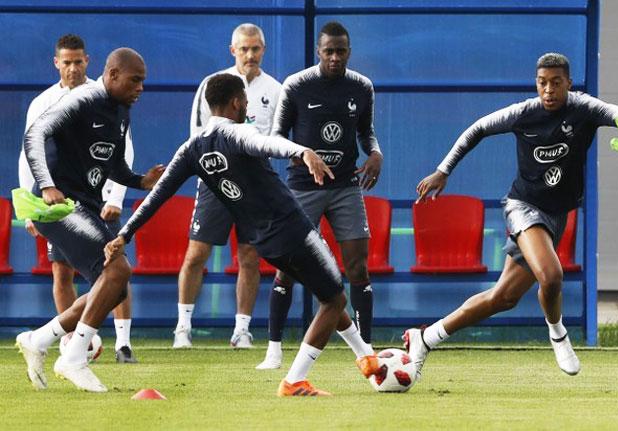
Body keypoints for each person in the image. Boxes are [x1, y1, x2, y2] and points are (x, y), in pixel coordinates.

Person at [104, 73, 379, 396]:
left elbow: (157, 196)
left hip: (263, 241)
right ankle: (295, 381)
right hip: (292, 228)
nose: (247, 107)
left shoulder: (191, 148)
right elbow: (267, 144)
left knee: (326, 292)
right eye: (245, 102)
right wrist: (304, 150)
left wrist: (125, 234)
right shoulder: (239, 134)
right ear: (236, 102)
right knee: (335, 299)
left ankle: (366, 357)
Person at [405, 52, 618, 380]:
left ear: (569, 83)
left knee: (503, 298)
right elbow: (477, 129)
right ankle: (558, 333)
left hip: (557, 216)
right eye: (543, 83)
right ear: (536, 84)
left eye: (556, 83)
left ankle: (425, 338)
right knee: (551, 276)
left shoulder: (584, 109)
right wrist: (443, 170)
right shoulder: (524, 113)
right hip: (523, 207)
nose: (549, 90)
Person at [16, 47, 164, 392]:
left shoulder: (121, 110)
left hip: (86, 205)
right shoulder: (83, 98)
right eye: (135, 80)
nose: (141, 88)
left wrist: (140, 180)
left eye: (143, 81)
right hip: (59, 205)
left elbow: (110, 163)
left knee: (111, 284)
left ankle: (39, 340)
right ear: (111, 75)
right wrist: (48, 185)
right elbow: (33, 135)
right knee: (117, 270)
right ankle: (73, 357)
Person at [257, 21, 383, 370]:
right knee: (288, 268)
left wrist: (376, 153)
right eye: (328, 51)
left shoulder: (361, 87)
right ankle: (274, 348)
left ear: (349, 52)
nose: (334, 57)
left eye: (340, 51)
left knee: (358, 267)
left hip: (345, 187)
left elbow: (366, 133)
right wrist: (303, 153)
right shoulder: (297, 85)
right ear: (318, 51)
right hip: (302, 189)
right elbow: (277, 137)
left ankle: (366, 349)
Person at [173, 23, 282, 349]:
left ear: (263, 50)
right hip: (215, 181)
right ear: (233, 50)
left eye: (256, 48)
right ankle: (183, 328)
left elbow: (277, 139)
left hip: (254, 185)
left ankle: (242, 331)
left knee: (250, 256)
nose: (250, 55)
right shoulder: (213, 85)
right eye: (244, 49)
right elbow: (196, 134)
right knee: (196, 254)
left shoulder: (275, 90)